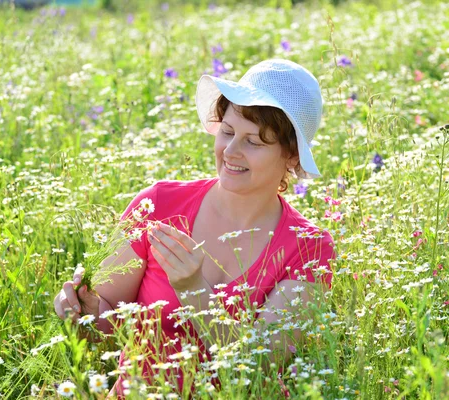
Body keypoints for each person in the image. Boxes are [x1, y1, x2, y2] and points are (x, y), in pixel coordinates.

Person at [53, 59, 335, 396]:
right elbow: (107, 322)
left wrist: (193, 290)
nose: (230, 151)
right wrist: (81, 313)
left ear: (291, 156)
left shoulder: (310, 246)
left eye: (253, 142)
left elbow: (258, 369)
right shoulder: (157, 204)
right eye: (228, 132)